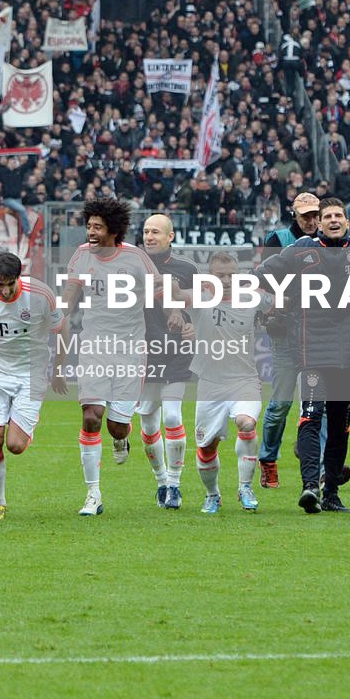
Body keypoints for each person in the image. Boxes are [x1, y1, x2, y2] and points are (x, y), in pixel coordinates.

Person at [256, 198, 350, 515]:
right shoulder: (301, 250)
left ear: (348, 222)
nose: (334, 220)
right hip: (313, 351)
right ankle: (310, 486)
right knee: (310, 416)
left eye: (339, 215)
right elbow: (265, 271)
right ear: (319, 224)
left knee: (340, 426)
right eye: (328, 216)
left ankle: (332, 493)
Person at [53, 197, 157, 517]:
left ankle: (122, 439)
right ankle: (93, 494)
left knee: (117, 427)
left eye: (97, 226)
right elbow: (69, 299)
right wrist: (59, 318)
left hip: (129, 350)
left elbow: (159, 292)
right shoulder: (82, 256)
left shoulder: (136, 258)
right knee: (90, 416)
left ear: (113, 229)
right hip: (94, 345)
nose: (91, 231)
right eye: (88, 226)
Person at [0, 251, 61, 519]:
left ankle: (26, 421)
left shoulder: (41, 294)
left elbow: (61, 329)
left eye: (11, 283)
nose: (6, 291)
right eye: (0, 284)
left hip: (32, 373)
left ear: (20, 277)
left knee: (16, 446)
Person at [255, 190, 321, 488]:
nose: (311, 220)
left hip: (319, 331)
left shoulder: (327, 241)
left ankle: (318, 464)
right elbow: (263, 279)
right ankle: (268, 458)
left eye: (315, 214)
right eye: (305, 214)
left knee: (318, 403)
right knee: (281, 403)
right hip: (284, 329)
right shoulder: (278, 239)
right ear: (294, 213)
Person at [189, 251, 262, 514]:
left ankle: (245, 486)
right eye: (221, 275)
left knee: (246, 423)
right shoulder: (199, 300)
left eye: (231, 275)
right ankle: (213, 495)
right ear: (210, 277)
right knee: (207, 447)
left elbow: (285, 304)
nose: (227, 280)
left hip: (245, 381)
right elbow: (173, 296)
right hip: (210, 384)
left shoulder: (251, 300)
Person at [137, 213, 197, 510]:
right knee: (148, 424)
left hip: (175, 351)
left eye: (156, 232)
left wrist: (189, 322)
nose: (149, 236)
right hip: (143, 353)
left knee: (172, 416)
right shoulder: (131, 266)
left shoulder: (186, 269)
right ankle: (160, 481)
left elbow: (199, 307)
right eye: (146, 231)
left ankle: (174, 485)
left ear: (170, 236)